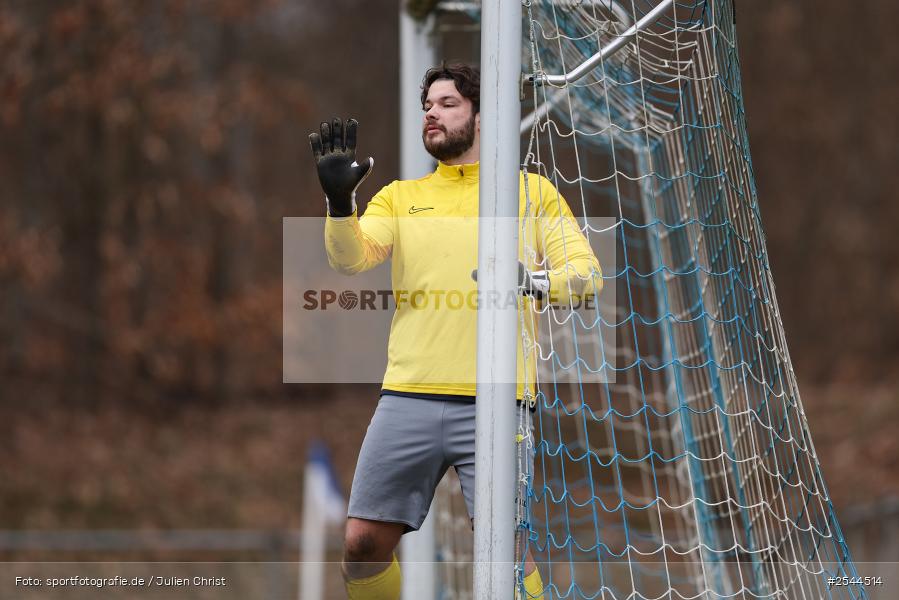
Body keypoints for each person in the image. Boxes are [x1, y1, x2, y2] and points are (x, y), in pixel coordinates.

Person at [308, 63, 601, 600]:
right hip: (408, 395)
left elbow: (586, 279)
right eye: (428, 106)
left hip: (497, 402)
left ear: (482, 118)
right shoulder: (400, 197)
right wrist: (338, 205)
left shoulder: (532, 195)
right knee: (361, 543)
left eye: (447, 104)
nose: (432, 114)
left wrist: (530, 281)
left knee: (505, 553)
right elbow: (348, 261)